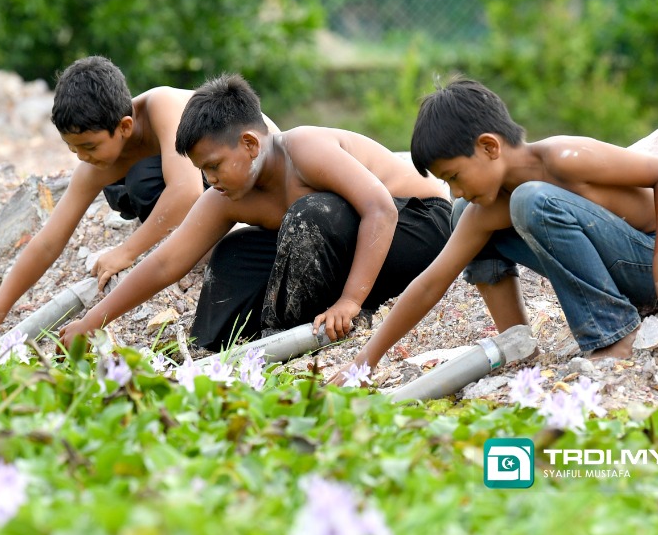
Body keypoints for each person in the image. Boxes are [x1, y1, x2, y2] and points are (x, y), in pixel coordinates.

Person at [329, 77, 658, 384]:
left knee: (530, 200)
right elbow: (430, 282)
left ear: (489, 146)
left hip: (654, 266)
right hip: (617, 274)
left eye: (455, 176)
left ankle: (612, 333)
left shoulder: (563, 158)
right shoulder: (487, 208)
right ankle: (517, 339)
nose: (454, 189)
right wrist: (364, 364)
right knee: (462, 213)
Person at [59, 73, 452, 351]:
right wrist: (92, 321)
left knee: (309, 215)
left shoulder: (304, 149)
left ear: (249, 143)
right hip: (342, 244)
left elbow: (381, 209)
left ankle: (308, 325)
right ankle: (226, 344)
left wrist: (350, 300)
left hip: (417, 225)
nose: (209, 179)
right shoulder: (227, 196)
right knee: (234, 252)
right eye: (202, 170)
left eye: (214, 165)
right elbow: (166, 263)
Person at [0, 56, 212, 341]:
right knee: (129, 185)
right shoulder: (92, 166)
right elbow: (47, 242)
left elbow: (186, 191)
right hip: (202, 191)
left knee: (143, 179)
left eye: (90, 146)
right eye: (73, 149)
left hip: (250, 183)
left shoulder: (163, 106)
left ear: (125, 127)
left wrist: (127, 251)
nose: (82, 157)